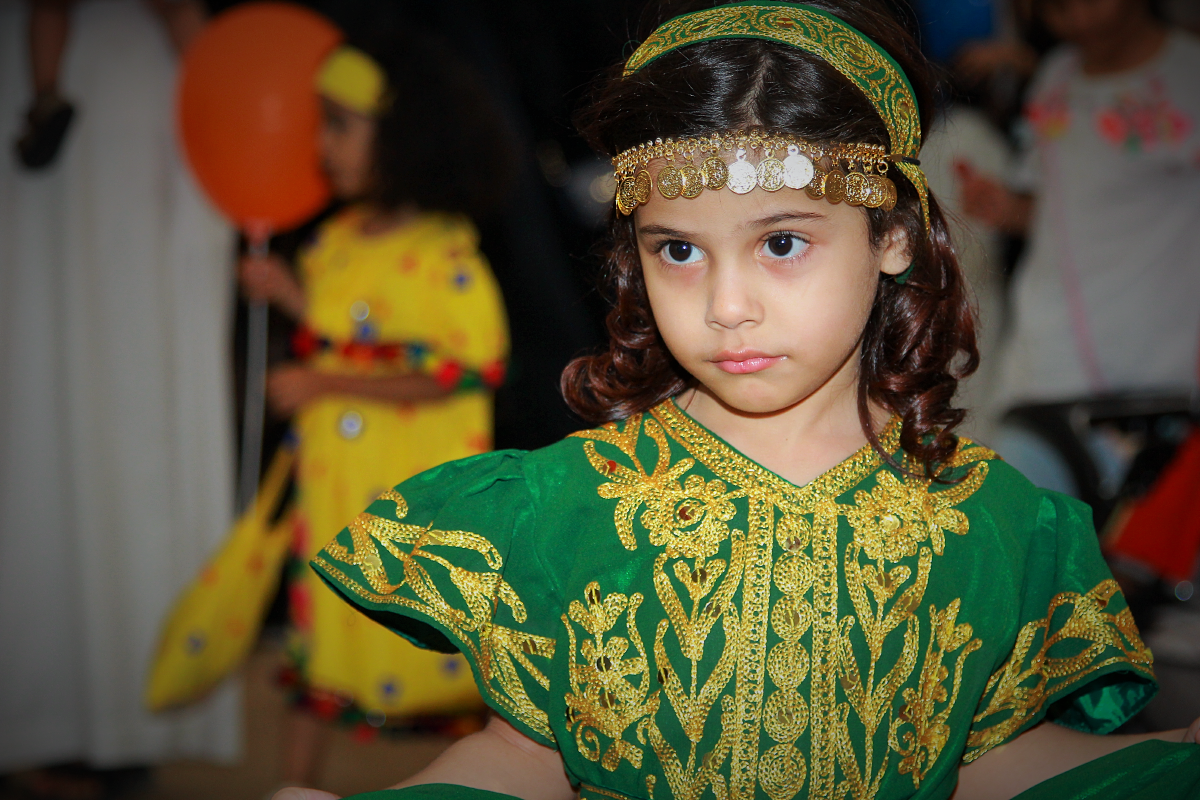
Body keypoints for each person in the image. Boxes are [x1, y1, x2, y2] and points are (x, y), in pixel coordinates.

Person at [278, 2, 1200, 799]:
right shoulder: (562, 507)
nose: (726, 306)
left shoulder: (995, 526)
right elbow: (523, 758)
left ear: (891, 235)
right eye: (678, 250)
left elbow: (987, 763)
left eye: (782, 243)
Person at [237, 39, 513, 786]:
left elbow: (464, 369)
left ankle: (462, 786)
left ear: (404, 138)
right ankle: (294, 787)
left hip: (407, 490)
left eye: (340, 125)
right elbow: (347, 328)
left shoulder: (445, 253)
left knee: (425, 645)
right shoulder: (333, 240)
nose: (321, 147)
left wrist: (326, 385)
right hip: (335, 485)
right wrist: (290, 294)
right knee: (323, 632)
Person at [0, 0, 238, 791]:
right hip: (101, 111)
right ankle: (66, 708)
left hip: (116, 115)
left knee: (118, 406)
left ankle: (121, 705)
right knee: (56, 405)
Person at [957, 0, 1200, 494]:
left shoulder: (1187, 73)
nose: (1076, 17)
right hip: (1045, 368)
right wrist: (1007, 208)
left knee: (1135, 540)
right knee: (1020, 523)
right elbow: (1058, 213)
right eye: (1055, 7)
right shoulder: (1057, 77)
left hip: (1159, 377)